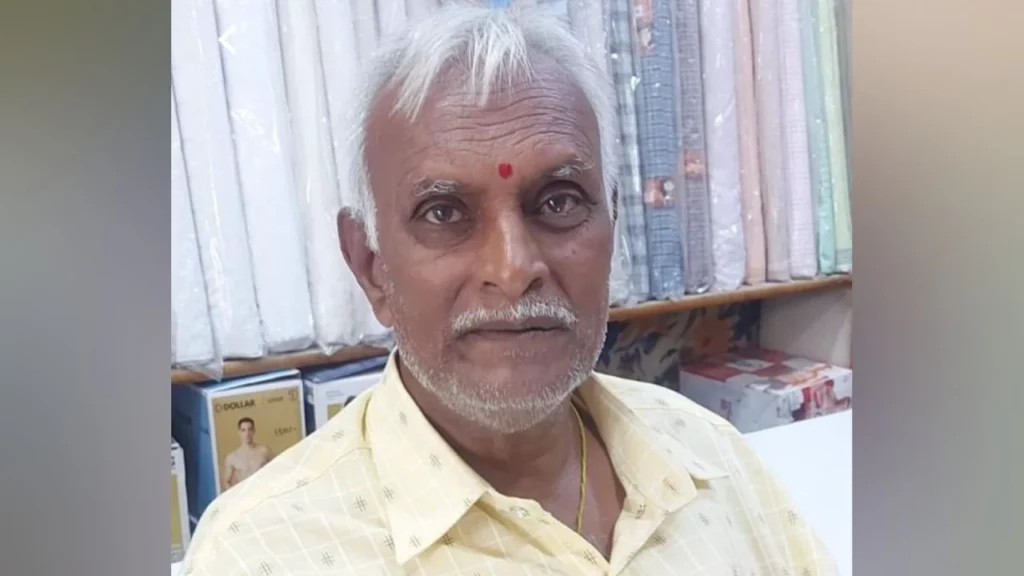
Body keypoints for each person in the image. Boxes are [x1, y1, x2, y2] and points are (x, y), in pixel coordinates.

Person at [183, 5, 838, 575]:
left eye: (559, 201)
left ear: (612, 226)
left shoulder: (709, 456)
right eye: (444, 212)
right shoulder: (261, 554)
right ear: (370, 265)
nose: (515, 265)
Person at [220, 417, 272, 490]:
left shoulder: (264, 451)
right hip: (244, 493)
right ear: (239, 433)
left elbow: (274, 471)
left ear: (254, 431)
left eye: (250, 429)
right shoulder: (232, 457)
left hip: (263, 491)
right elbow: (226, 482)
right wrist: (237, 494)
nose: (247, 433)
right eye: (243, 430)